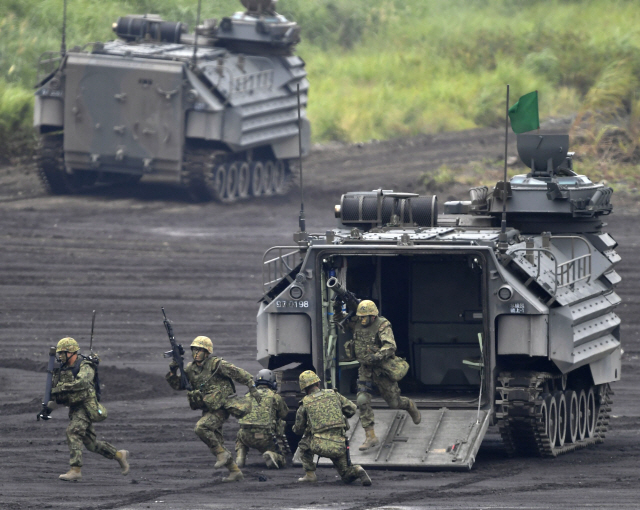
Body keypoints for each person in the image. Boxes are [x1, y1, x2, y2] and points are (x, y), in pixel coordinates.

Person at [166, 335, 261, 482]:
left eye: (200, 350)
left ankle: (223, 456)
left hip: (221, 407)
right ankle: (235, 471)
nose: (196, 353)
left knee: (201, 428)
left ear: (207, 352)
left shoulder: (216, 365)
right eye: (194, 350)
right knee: (215, 442)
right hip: (208, 407)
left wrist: (252, 387)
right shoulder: (191, 369)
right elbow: (179, 385)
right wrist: (173, 369)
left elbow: (238, 373)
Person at [337, 300, 421, 451]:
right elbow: (339, 320)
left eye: (365, 317)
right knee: (362, 400)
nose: (362, 320)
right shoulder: (356, 323)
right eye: (360, 317)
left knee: (394, 403)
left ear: (373, 317)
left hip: (381, 369)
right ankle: (370, 436)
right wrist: (337, 305)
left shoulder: (382, 325)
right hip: (365, 370)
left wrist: (377, 356)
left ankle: (409, 405)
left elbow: (390, 346)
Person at [48, 337, 129, 481]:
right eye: (59, 353)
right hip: (75, 409)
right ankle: (119, 455)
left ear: (71, 352)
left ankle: (75, 469)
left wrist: (60, 388)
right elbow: (58, 394)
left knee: (72, 432)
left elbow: (82, 383)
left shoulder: (85, 366)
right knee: (92, 444)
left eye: (63, 353)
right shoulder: (63, 370)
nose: (60, 356)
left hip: (86, 407)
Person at [292, 370, 371, 486]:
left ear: (304, 389)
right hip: (339, 443)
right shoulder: (334, 394)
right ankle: (357, 469)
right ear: (318, 384)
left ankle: (310, 475)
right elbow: (352, 409)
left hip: (319, 444)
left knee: (303, 446)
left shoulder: (305, 403)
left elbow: (298, 429)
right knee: (346, 475)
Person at [235, 369, 289, 469]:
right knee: (282, 460)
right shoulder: (274, 397)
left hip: (246, 436)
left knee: (240, 436)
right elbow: (284, 414)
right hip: (265, 436)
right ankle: (272, 454)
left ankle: (240, 456)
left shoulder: (247, 396)